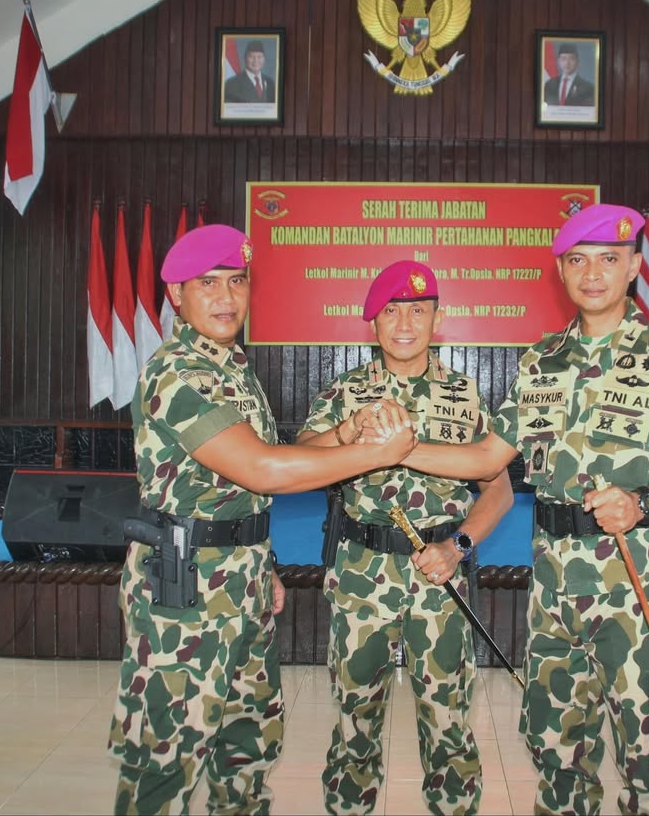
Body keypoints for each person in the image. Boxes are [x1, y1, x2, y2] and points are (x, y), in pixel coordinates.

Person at [399, 204, 649, 815]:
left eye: (608, 259)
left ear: (633, 266)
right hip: (552, 588)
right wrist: (401, 448)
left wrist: (644, 501)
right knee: (554, 746)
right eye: (578, 260)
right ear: (561, 270)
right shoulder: (540, 361)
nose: (592, 273)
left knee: (647, 750)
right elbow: (486, 457)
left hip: (631, 582)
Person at [107, 224, 417, 816]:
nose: (226, 297)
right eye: (208, 283)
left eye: (237, 281)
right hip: (186, 593)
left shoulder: (232, 369)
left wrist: (345, 433)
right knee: (167, 759)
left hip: (240, 580)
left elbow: (241, 487)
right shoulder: (178, 374)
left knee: (247, 747)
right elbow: (262, 469)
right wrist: (374, 453)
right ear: (176, 294)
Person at [296, 260, 514, 816]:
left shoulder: (464, 395)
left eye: (418, 310)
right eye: (391, 311)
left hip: (440, 577)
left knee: (448, 720)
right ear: (373, 323)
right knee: (355, 718)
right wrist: (348, 431)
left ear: (437, 319)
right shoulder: (346, 392)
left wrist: (458, 547)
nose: (405, 324)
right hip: (362, 576)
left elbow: (499, 490)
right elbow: (301, 459)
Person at [544, 42, 595, 106]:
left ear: (577, 62)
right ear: (558, 61)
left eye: (571, 59)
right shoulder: (549, 85)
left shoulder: (588, 88)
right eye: (563, 58)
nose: (567, 63)